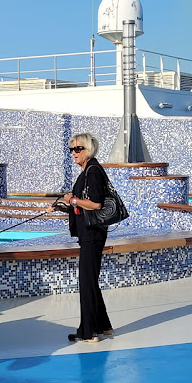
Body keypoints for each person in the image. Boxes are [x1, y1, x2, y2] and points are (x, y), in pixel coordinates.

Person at [48, 132, 113, 342]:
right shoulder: (86, 171)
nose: (74, 153)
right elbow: (81, 206)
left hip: (92, 235)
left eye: (78, 149)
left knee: (86, 282)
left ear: (88, 150)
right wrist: (62, 205)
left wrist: (73, 200)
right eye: (72, 149)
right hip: (89, 233)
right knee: (90, 281)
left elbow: (95, 204)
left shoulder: (93, 172)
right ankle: (103, 326)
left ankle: (89, 332)